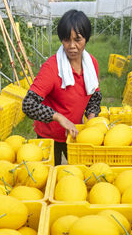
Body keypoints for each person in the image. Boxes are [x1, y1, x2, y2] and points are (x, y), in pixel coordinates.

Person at [22, 9, 102, 165]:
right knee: (52, 177)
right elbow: (28, 104)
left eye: (77, 39)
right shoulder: (52, 68)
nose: (72, 46)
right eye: (66, 40)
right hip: (49, 137)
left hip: (76, 134)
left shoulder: (91, 64)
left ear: (86, 39)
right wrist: (59, 118)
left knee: (80, 177)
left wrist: (90, 125)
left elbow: (94, 96)